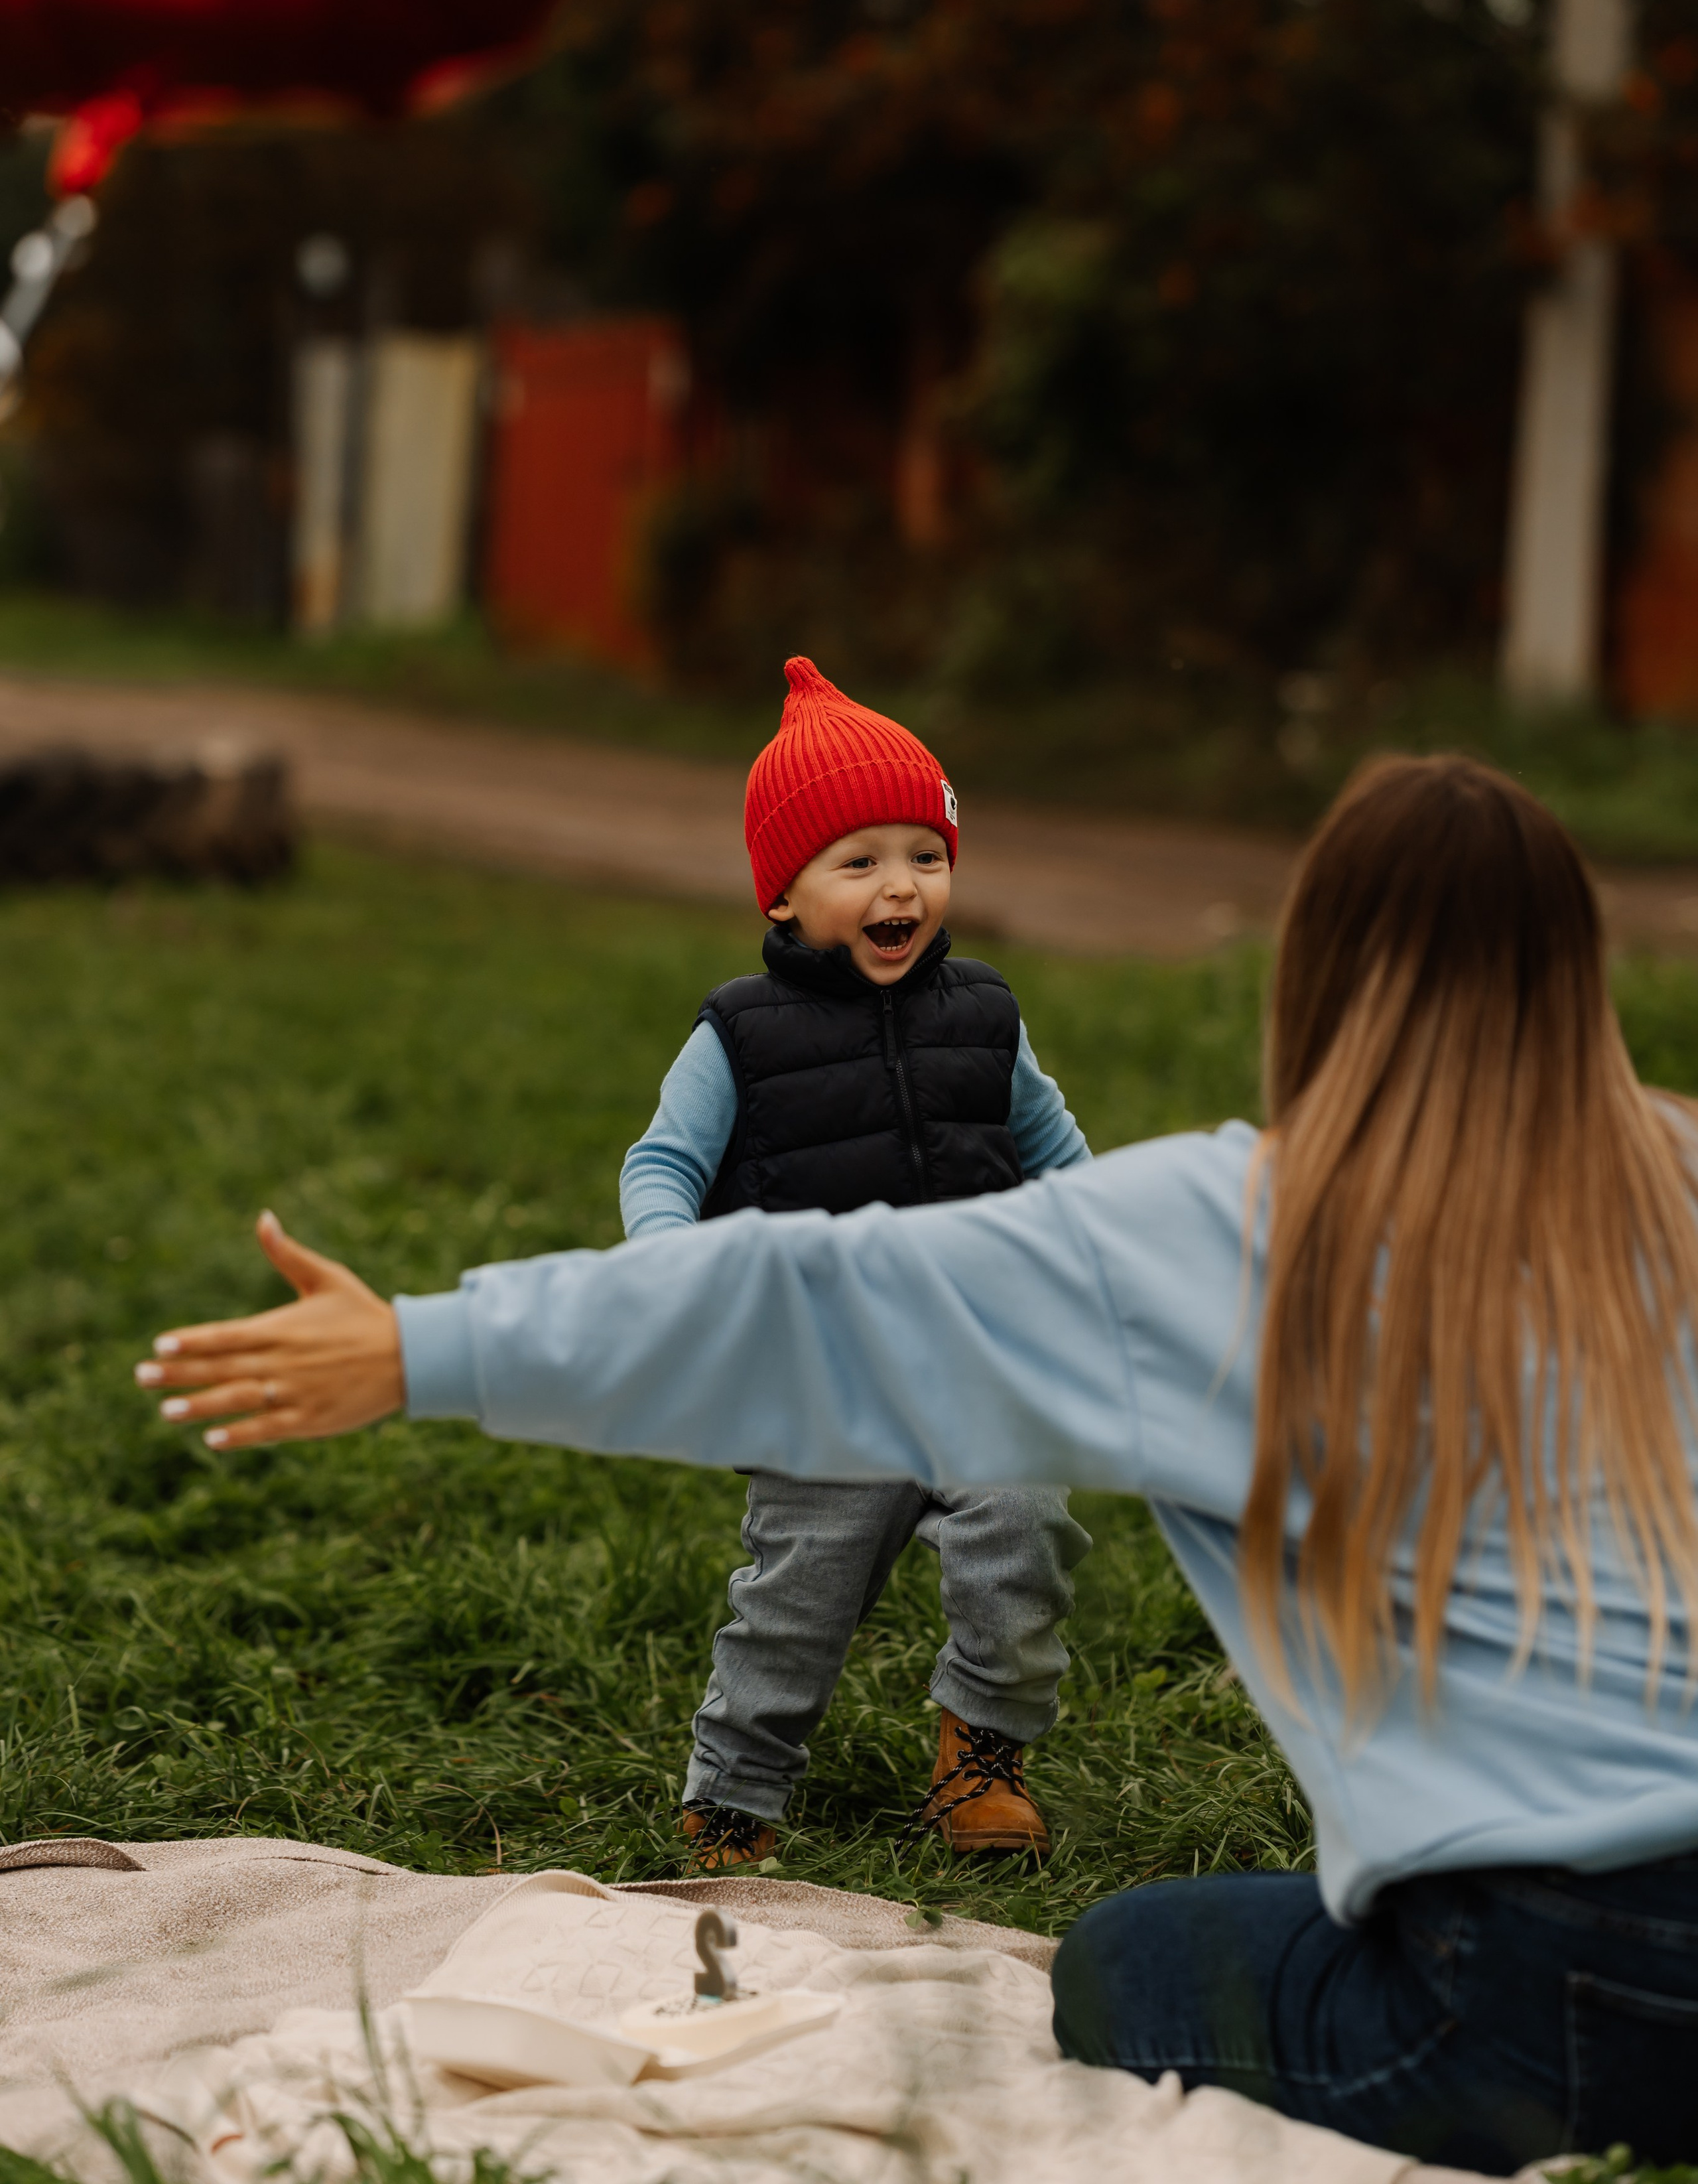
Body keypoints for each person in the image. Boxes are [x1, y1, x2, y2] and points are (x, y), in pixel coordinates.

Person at [137, 753, 1698, 2175]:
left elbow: (809, 1305)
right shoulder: (1679, 1175)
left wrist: (425, 1347)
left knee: (1119, 1965)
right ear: (1577, 967)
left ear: (1312, 971)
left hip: (1529, 1990)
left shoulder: (1239, 1235)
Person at [620, 655, 1092, 1869]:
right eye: (861, 862)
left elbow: (1055, 1150)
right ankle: (734, 1790)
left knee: (1024, 1530)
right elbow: (664, 1164)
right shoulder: (741, 1035)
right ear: (783, 895)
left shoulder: (985, 1016)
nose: (902, 888)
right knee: (799, 1596)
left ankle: (980, 1758)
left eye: (924, 857)